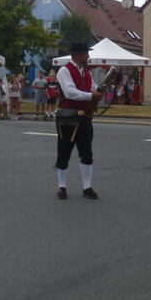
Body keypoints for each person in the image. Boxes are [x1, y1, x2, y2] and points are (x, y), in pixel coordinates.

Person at [54, 42, 103, 199]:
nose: (87, 56)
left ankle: (87, 187)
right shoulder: (64, 71)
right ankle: (62, 187)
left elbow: (92, 87)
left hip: (84, 118)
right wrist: (91, 96)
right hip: (68, 118)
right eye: (85, 53)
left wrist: (101, 89)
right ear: (76, 54)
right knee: (64, 152)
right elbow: (70, 92)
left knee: (87, 153)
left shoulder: (86, 72)